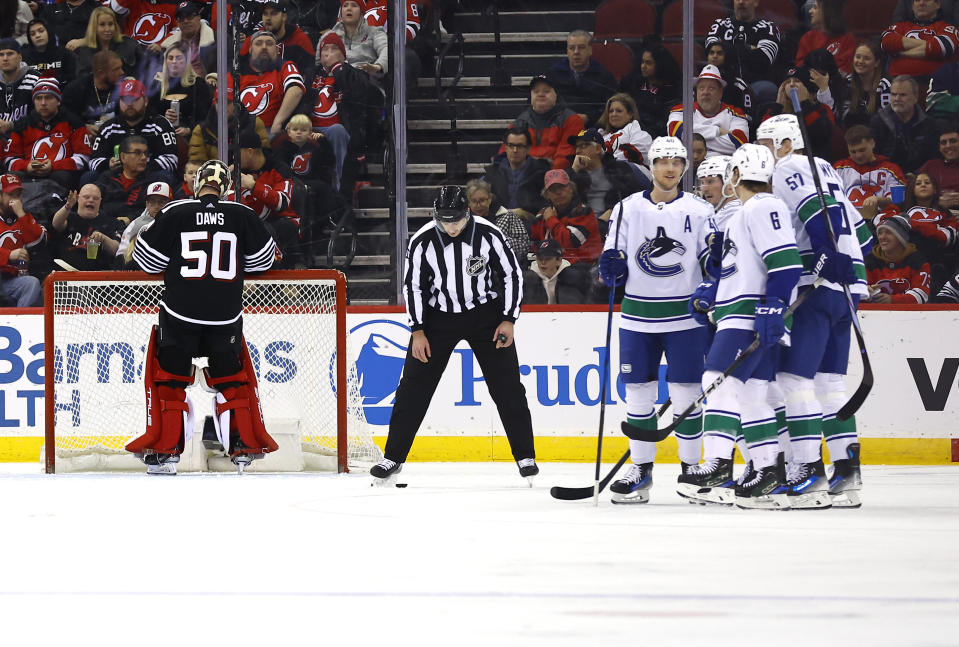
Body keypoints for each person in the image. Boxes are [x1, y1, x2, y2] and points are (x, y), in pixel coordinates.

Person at [369, 186, 536, 485]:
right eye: (445, 220)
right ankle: (392, 457)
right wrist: (417, 330)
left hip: (485, 316)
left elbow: (512, 274)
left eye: (456, 220)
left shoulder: (489, 234)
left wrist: (509, 319)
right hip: (437, 319)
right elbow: (414, 287)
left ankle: (525, 456)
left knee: (508, 387)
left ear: (468, 213)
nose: (452, 226)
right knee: (412, 389)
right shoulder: (422, 241)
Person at [126, 159, 280, 475]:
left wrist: (147, 233)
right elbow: (264, 261)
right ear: (226, 188)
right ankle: (241, 450)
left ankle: (167, 454)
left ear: (197, 184)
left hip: (180, 312)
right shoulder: (243, 214)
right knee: (231, 381)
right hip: (225, 315)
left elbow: (147, 260)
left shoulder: (176, 211)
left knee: (170, 381)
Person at [678, 144, 803, 508]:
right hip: (742, 310)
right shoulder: (744, 213)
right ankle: (767, 471)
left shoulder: (763, 206)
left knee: (714, 382)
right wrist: (711, 294)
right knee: (751, 396)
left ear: (735, 174)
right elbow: (738, 268)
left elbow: (785, 262)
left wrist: (774, 305)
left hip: (749, 313)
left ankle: (717, 464)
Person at [757, 113, 872, 508]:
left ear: (786, 143)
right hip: (849, 286)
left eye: (768, 145)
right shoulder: (828, 170)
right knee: (830, 384)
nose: (765, 155)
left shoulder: (791, 167)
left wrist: (823, 255)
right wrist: (843, 262)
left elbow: (816, 216)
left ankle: (807, 472)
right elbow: (865, 236)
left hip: (818, 283)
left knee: (794, 380)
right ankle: (847, 473)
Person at [597, 136, 714, 504]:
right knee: (638, 394)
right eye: (662, 161)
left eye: (676, 162)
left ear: (684, 167)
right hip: (637, 317)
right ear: (651, 165)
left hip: (685, 317)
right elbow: (611, 257)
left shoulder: (699, 210)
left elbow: (712, 259)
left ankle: (692, 469)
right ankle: (641, 470)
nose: (669, 168)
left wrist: (714, 276)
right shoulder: (627, 209)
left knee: (686, 394)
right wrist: (611, 268)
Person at [307, 29, 371, 192]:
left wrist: (337, 69)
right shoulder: (310, 74)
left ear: (343, 54)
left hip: (341, 129)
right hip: (310, 129)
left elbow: (358, 98)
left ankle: (337, 188)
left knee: (336, 130)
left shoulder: (355, 74)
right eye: (325, 49)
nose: (328, 53)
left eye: (333, 49)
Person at [5, 78, 91, 192]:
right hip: (29, 174)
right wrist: (27, 166)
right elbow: (9, 159)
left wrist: (54, 166)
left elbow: (84, 157)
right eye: (38, 98)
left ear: (58, 100)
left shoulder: (74, 122)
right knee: (12, 177)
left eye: (48, 97)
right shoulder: (23, 125)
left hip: (60, 175)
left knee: (62, 176)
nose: (43, 103)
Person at [88, 78, 179, 181]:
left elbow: (171, 160)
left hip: (149, 177)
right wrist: (108, 164)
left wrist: (140, 166)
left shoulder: (160, 125)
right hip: (116, 178)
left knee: (165, 176)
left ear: (145, 101)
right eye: (125, 100)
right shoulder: (108, 128)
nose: (129, 104)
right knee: (89, 177)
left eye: (134, 99)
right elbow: (93, 161)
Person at [236, 128, 302, 267]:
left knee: (264, 229)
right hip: (255, 224)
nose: (234, 157)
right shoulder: (236, 170)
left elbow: (282, 203)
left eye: (237, 152)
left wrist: (254, 187)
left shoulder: (279, 169)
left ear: (249, 151)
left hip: (281, 222)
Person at [704, 0, 782, 108]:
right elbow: (711, 53)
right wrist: (749, 49)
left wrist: (726, 48)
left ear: (755, 2)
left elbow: (763, 60)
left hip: (754, 83)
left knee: (768, 89)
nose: (741, 2)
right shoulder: (719, 24)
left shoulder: (769, 28)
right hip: (721, 81)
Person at [566, 127, 649, 223]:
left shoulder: (619, 169)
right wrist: (573, 171)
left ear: (597, 149)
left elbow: (635, 200)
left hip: (617, 223)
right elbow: (563, 202)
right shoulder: (576, 174)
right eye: (577, 147)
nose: (577, 151)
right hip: (583, 227)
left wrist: (612, 211)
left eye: (583, 146)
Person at [667, 64, 748, 158]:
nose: (705, 92)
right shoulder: (681, 110)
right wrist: (718, 131)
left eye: (711, 88)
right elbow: (675, 132)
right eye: (701, 88)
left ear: (720, 92)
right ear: (696, 91)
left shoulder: (736, 114)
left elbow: (740, 144)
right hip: (687, 167)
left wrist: (691, 139)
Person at [505, 75, 585, 170]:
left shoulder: (572, 120)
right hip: (524, 177)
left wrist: (544, 175)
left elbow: (566, 157)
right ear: (530, 96)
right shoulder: (520, 122)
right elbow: (505, 154)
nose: (540, 94)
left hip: (560, 177)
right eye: (536, 91)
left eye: (546, 91)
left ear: (557, 95)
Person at [238, 30, 305, 139]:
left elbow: (296, 90)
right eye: (258, 43)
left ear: (277, 50)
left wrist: (278, 122)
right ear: (250, 49)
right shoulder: (237, 71)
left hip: (270, 132)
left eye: (269, 43)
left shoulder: (284, 66)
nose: (264, 47)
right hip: (240, 133)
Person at [833, 125, 907, 222]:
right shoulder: (838, 168)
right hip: (846, 222)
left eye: (862, 150)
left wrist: (879, 200)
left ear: (872, 143)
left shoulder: (892, 169)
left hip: (881, 223)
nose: (858, 155)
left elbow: (900, 201)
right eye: (853, 152)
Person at [870, 75, 941, 175]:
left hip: (920, 180)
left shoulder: (929, 125)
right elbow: (874, 158)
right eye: (894, 94)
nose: (897, 99)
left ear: (915, 97)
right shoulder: (878, 122)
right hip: (886, 178)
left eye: (903, 95)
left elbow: (933, 161)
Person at [546, 29, 619, 126]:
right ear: (567, 51)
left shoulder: (604, 76)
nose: (576, 52)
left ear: (590, 50)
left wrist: (588, 117)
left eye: (581, 48)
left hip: (595, 127)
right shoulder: (553, 74)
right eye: (572, 48)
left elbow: (613, 105)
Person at [760, 67, 835, 160]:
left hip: (812, 162)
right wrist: (778, 106)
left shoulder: (822, 109)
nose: (791, 84)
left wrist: (803, 103)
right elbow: (764, 136)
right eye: (787, 82)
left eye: (797, 81)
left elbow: (819, 134)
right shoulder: (777, 111)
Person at [530, 168, 602, 265]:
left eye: (562, 187)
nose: (558, 192)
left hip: (584, 267)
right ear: (547, 195)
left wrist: (551, 220)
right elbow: (534, 244)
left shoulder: (584, 212)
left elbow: (570, 243)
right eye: (553, 189)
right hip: (551, 266)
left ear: (571, 188)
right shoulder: (542, 216)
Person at [50, 183, 124, 271]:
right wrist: (68, 206)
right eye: (86, 197)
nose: (91, 200)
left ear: (100, 201)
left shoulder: (112, 223)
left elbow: (118, 250)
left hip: (96, 277)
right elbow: (56, 224)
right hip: (64, 274)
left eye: (95, 198)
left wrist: (104, 239)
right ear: (78, 199)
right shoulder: (68, 217)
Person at [881, 0, 959, 82]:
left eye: (926, 0)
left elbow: (942, 46)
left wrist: (902, 53)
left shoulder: (947, 28)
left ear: (937, 4)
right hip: (897, 84)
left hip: (934, 85)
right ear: (912, 6)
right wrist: (928, 45)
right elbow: (885, 42)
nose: (921, 3)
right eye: (917, 0)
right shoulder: (900, 26)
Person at [482, 126, 550, 220]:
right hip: (498, 223)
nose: (515, 150)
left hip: (532, 225)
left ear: (528, 148)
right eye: (511, 145)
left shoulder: (541, 173)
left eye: (520, 146)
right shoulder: (492, 173)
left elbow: (548, 204)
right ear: (505, 147)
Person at [95, 134, 169, 220]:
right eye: (137, 153)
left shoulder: (155, 182)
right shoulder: (106, 178)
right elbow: (96, 206)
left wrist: (130, 219)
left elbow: (156, 209)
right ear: (123, 157)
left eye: (145, 153)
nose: (144, 157)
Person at [239, 0, 315, 81]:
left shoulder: (300, 40)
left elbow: (309, 76)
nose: (268, 18)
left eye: (273, 13)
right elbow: (239, 72)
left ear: (284, 17)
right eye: (265, 13)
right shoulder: (253, 40)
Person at [148, 42, 212, 139]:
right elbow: (150, 115)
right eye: (170, 58)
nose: (174, 61)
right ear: (166, 61)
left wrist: (189, 129)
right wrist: (163, 118)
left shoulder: (198, 84)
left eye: (179, 58)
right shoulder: (157, 85)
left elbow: (207, 115)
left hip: (192, 138)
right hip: (162, 137)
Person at [0, 174, 45, 307]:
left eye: (18, 195)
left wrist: (22, 216)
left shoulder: (25, 217)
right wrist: (8, 255)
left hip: (13, 278)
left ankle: (18, 322)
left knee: (32, 283)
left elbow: (39, 243)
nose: (15, 200)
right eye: (10, 195)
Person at [618, 42, 681, 138]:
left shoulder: (671, 91)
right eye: (642, 62)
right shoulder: (633, 83)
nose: (643, 66)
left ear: (660, 65)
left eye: (648, 63)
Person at [866, 214, 932, 303]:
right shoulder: (869, 261)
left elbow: (921, 296)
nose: (882, 237)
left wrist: (893, 300)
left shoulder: (918, 261)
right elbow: (854, 294)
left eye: (889, 233)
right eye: (880, 233)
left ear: (901, 237)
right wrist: (864, 291)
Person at [62, 50, 125, 137]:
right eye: (116, 69)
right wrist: (83, 127)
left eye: (121, 67)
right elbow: (64, 115)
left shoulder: (124, 87)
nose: (122, 72)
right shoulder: (76, 89)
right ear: (101, 73)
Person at [465, 178, 530, 257]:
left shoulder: (508, 216)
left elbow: (524, 245)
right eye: (474, 201)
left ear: (490, 199)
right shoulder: (463, 220)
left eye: (482, 200)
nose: (478, 205)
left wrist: (496, 240)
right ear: (469, 202)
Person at [72, 6, 142, 77]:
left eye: (111, 24)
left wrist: (134, 81)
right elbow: (82, 80)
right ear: (94, 27)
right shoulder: (85, 52)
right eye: (102, 25)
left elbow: (145, 70)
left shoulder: (130, 44)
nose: (107, 29)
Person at [115, 179, 171, 266]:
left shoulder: (177, 223)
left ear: (170, 203)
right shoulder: (136, 224)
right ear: (147, 204)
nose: (156, 206)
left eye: (161, 202)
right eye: (152, 202)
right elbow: (121, 255)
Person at [795, 0, 857, 75]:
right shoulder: (808, 38)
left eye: (815, 7)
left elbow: (844, 71)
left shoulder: (848, 39)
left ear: (827, 11)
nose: (810, 11)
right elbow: (800, 69)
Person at [839, 41, 891, 128]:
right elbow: (843, 117)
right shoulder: (848, 82)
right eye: (858, 57)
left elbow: (888, 120)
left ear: (877, 63)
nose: (860, 61)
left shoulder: (885, 85)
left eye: (866, 58)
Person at [595, 92, 653, 167]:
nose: (614, 114)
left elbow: (637, 153)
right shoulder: (600, 135)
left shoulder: (639, 133)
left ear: (630, 114)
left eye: (619, 111)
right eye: (611, 111)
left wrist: (608, 162)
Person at [159, 1, 215, 78]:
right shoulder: (168, 44)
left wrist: (213, 77)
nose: (185, 21)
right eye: (181, 18)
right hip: (178, 86)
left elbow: (227, 65)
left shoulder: (216, 39)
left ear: (199, 17)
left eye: (189, 16)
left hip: (204, 86)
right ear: (177, 22)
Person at [522, 238, 587, 304]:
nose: (543, 262)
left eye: (548, 258)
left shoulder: (573, 280)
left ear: (559, 260)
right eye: (540, 258)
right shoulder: (527, 280)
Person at [0, 38, 40, 135]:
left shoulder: (36, 80)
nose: (5, 58)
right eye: (1, 54)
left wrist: (12, 125)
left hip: (29, 138)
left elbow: (44, 114)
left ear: (20, 57)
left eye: (10, 54)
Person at [21, 18, 78, 85]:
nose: (37, 35)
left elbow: (73, 79)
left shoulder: (65, 54)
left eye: (41, 31)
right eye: (32, 34)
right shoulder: (24, 57)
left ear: (48, 31)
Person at [919, 125, 959, 213]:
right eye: (944, 142)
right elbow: (913, 196)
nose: (948, 146)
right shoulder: (930, 166)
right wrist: (936, 202)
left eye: (953, 141)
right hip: (934, 214)